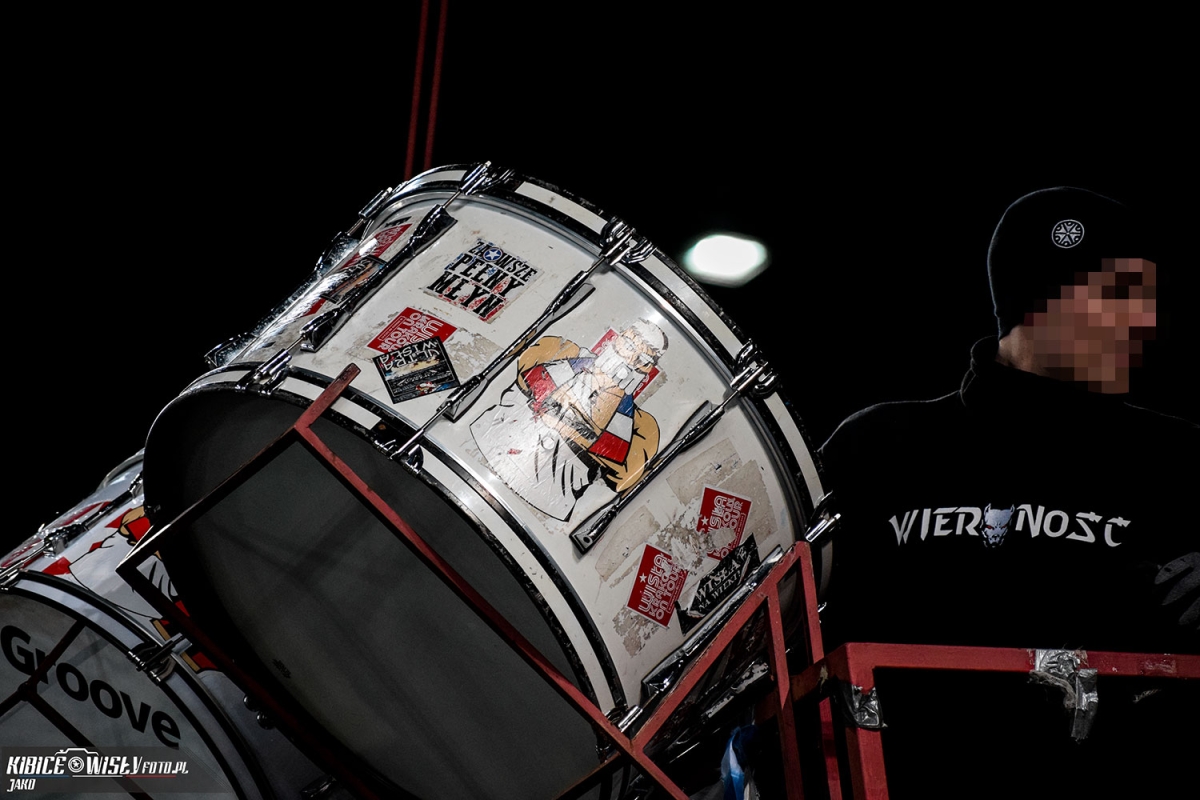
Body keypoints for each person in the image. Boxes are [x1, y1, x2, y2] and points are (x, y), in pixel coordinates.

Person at [817, 187, 1197, 795]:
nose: (1146, 321)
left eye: (1149, 299)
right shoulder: (878, 446)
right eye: (1122, 293)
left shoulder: (1182, 459)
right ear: (1041, 294)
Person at [471, 320, 665, 521]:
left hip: (542, 506)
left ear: (648, 369)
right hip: (485, 445)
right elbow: (524, 372)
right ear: (616, 340)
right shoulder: (560, 351)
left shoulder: (641, 427)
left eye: (643, 359)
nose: (630, 359)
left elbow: (623, 479)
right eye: (629, 345)